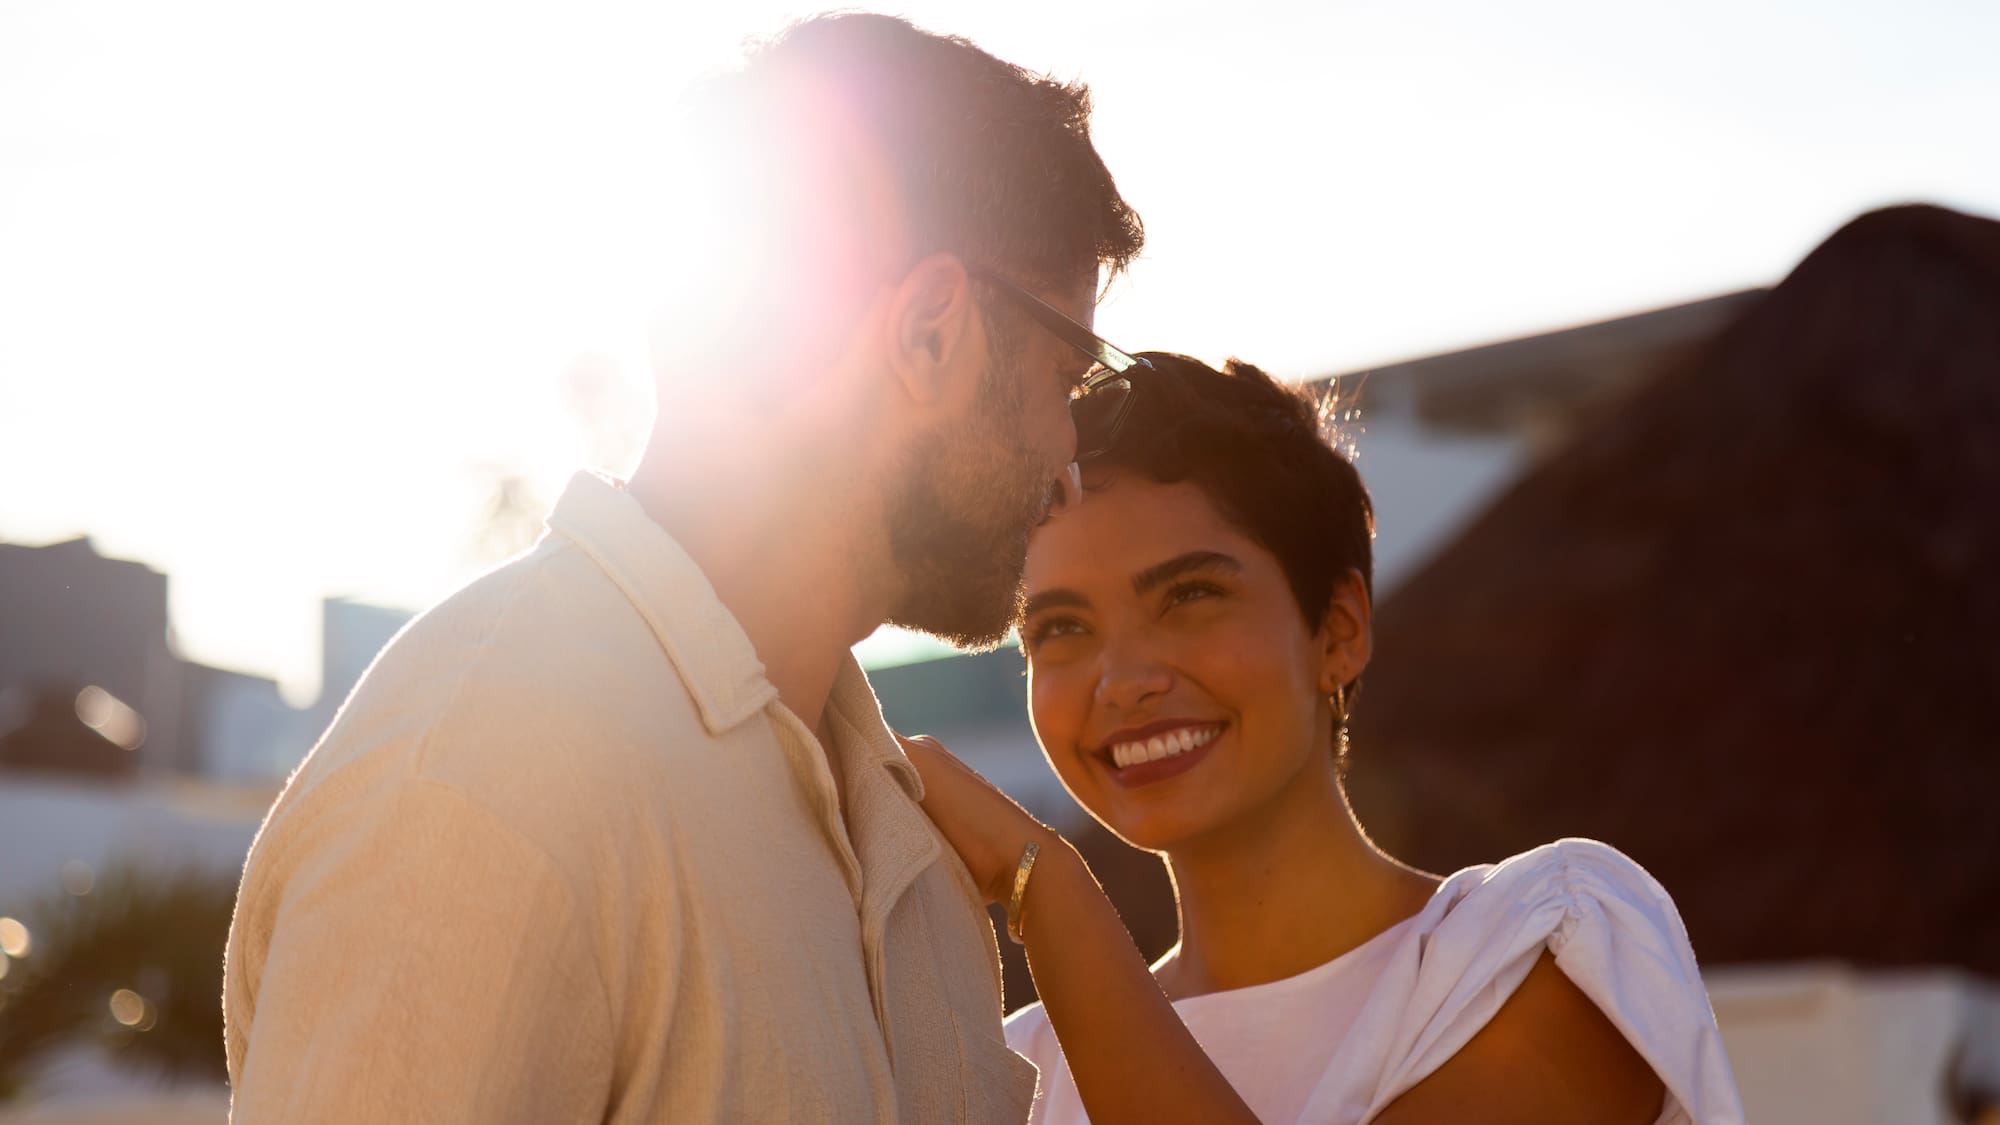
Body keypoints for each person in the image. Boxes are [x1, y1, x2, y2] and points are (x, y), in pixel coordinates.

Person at [222, 14, 1144, 1122]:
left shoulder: (915, 859)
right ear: (931, 332)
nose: (1068, 464)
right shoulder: (479, 789)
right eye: (1066, 376)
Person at [902, 352, 1746, 1123]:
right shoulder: (1022, 1073)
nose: (1123, 680)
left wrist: (1046, 891)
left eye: (1189, 596)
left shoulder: (1539, 949)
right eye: (1060, 628)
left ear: (1338, 629)